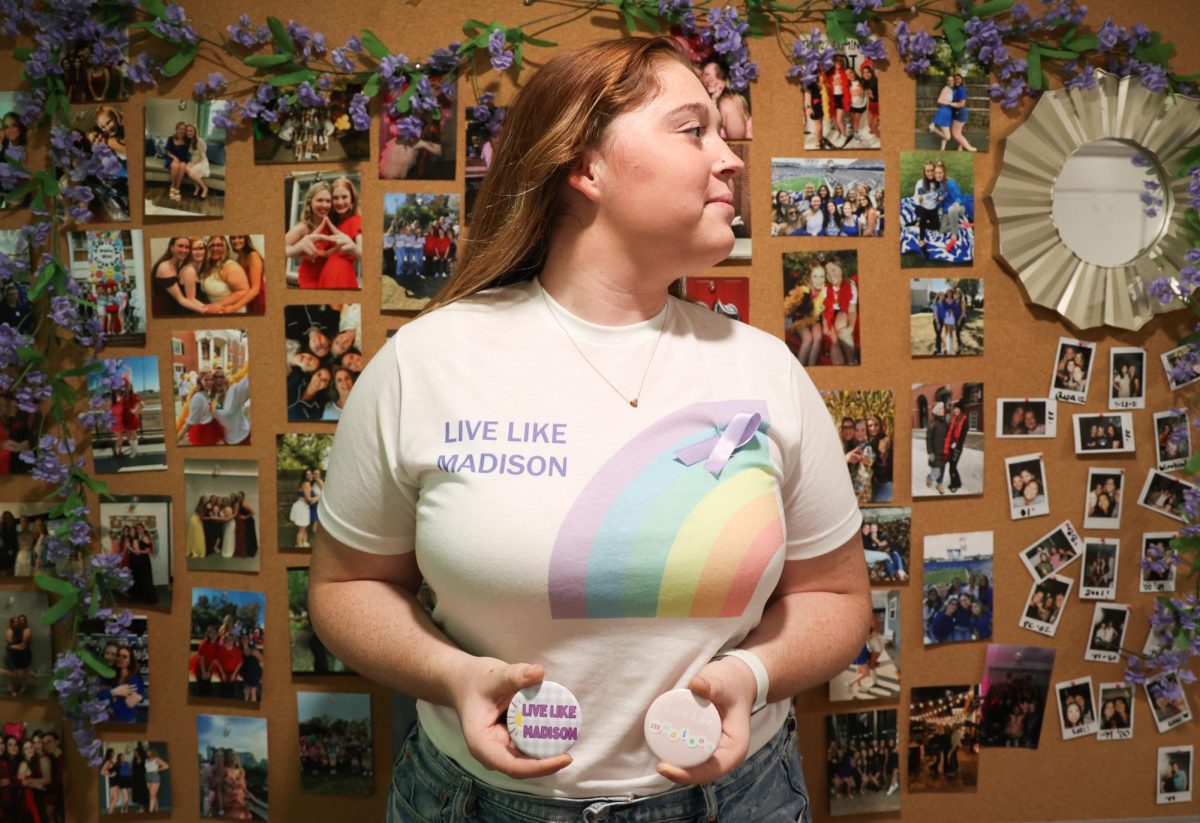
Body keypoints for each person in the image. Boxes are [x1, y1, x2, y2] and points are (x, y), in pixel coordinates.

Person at [308, 36, 869, 822]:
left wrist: (754, 674)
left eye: (721, 131)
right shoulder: (425, 363)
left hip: (737, 800)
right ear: (585, 166)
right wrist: (450, 675)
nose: (732, 158)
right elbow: (343, 584)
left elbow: (837, 596)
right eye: (692, 129)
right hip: (476, 802)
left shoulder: (765, 369)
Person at [150, 236, 209, 315]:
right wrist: (207, 310)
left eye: (187, 247)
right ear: (171, 247)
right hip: (163, 312)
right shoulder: (165, 267)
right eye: (180, 246)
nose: (184, 250)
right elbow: (181, 299)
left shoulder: (177, 265)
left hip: (173, 310)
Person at [700, 57, 751, 140]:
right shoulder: (710, 101)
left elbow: (738, 142)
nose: (711, 80)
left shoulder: (728, 104)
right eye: (706, 74)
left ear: (725, 78)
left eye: (717, 74)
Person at [198, 235, 252, 314]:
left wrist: (220, 304)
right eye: (212, 245)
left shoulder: (231, 266)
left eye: (219, 245)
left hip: (230, 311)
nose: (215, 248)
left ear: (225, 248)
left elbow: (243, 291)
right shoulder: (207, 266)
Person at [181, 371, 224, 446]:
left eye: (211, 379)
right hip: (204, 432)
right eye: (206, 380)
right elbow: (191, 420)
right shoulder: (198, 397)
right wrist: (180, 436)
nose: (210, 382)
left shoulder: (206, 393)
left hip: (210, 427)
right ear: (200, 382)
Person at [211, 368, 251, 446]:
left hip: (243, 438)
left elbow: (249, 379)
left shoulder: (233, 391)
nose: (219, 379)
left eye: (221, 377)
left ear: (225, 380)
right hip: (226, 442)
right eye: (215, 377)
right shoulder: (210, 398)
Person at [229, 235, 266, 314]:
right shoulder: (239, 256)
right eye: (233, 238)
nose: (236, 241)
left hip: (258, 298)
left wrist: (234, 307)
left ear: (246, 239)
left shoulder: (252, 255)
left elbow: (255, 289)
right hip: (248, 297)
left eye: (240, 237)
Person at [127, 522, 157, 604]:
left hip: (144, 561)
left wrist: (137, 551)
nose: (139, 529)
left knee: (146, 579)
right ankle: (140, 597)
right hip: (140, 561)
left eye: (140, 528)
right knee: (141, 579)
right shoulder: (139, 537)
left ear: (143, 529)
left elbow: (148, 551)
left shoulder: (145, 537)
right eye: (137, 528)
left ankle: (148, 598)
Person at [944, 400, 969, 493]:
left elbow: (963, 435)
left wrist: (957, 444)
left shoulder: (964, 419)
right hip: (951, 446)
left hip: (957, 447)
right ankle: (956, 482)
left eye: (957, 409)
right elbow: (948, 431)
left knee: (953, 466)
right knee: (951, 465)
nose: (955, 410)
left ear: (961, 409)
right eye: (954, 409)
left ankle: (955, 484)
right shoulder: (953, 419)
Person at [4, 615, 32, 697]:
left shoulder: (25, 630)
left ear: (25, 621)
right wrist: (11, 645)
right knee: (13, 672)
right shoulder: (10, 630)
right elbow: (10, 642)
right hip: (11, 654)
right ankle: (11, 687)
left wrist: (12, 646)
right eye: (16, 621)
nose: (18, 622)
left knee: (20, 673)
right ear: (11, 623)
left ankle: (24, 686)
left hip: (22, 654)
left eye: (19, 621)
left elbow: (22, 645)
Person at [162, 120, 190, 202]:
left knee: (183, 166)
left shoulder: (187, 139)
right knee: (175, 165)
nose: (182, 130)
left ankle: (177, 188)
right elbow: (167, 152)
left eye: (184, 129)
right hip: (172, 158)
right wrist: (174, 158)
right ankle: (172, 186)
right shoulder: (171, 138)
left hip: (183, 159)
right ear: (176, 129)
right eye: (180, 128)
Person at [949, 75, 978, 152]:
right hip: (956, 113)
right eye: (955, 79)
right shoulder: (955, 89)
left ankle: (970, 148)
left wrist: (949, 103)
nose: (956, 80)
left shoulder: (961, 89)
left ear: (961, 80)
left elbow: (961, 104)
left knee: (955, 134)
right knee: (958, 132)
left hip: (960, 114)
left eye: (958, 79)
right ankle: (960, 146)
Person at [183, 122, 210, 199]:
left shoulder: (199, 141)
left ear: (195, 132)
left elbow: (202, 157)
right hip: (194, 160)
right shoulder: (189, 141)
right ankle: (197, 187)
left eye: (191, 131)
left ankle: (204, 188)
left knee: (190, 171)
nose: (189, 132)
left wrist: (192, 163)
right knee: (186, 168)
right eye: (187, 131)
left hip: (201, 161)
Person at [929, 75, 954, 150]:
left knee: (946, 136)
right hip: (944, 112)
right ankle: (933, 129)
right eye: (949, 80)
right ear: (947, 82)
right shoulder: (946, 89)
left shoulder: (950, 89)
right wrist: (949, 103)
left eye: (952, 80)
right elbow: (939, 100)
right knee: (948, 137)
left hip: (947, 112)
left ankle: (942, 151)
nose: (951, 82)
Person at [144, 747, 169, 812]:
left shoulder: (156, 759)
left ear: (152, 752)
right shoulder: (146, 760)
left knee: (152, 795)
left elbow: (166, 766)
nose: (147, 753)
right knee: (153, 795)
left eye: (148, 751)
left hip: (154, 776)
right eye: (147, 752)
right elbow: (147, 768)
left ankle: (150, 812)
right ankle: (156, 810)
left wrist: (157, 769)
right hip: (147, 776)